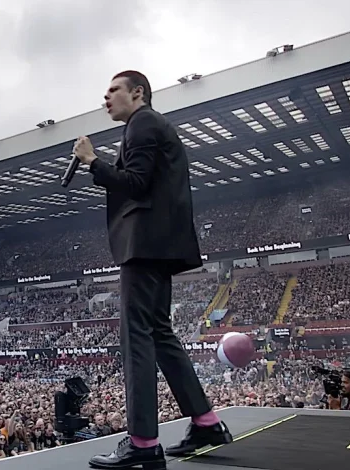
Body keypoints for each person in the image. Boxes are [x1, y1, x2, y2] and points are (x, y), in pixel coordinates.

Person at [73, 70, 233, 469]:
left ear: (137, 93)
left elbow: (137, 182)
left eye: (113, 90)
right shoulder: (149, 125)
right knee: (159, 333)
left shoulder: (142, 123)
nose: (105, 97)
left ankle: (143, 441)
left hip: (144, 244)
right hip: (159, 243)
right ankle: (206, 422)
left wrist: (94, 162)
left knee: (137, 337)